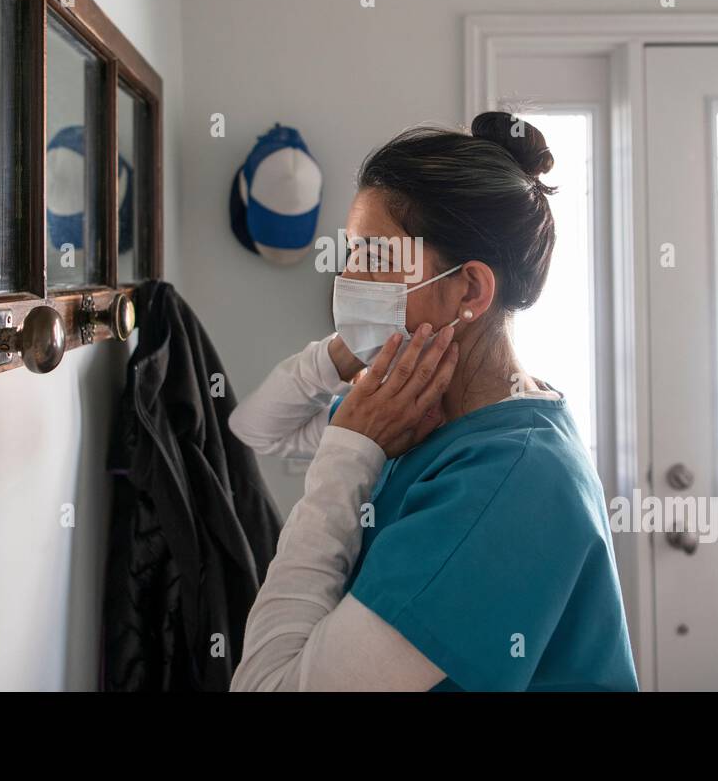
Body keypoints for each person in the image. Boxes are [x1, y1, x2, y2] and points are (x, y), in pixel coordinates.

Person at [228, 112, 638, 691]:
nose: (345, 277)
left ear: (469, 289)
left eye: (373, 258)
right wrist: (342, 353)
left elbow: (266, 685)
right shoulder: (428, 409)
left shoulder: (510, 481)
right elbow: (256, 427)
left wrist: (349, 452)